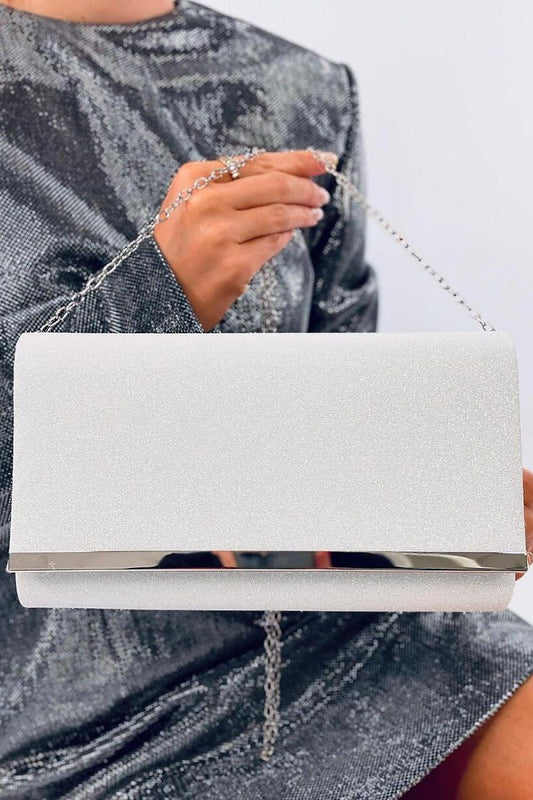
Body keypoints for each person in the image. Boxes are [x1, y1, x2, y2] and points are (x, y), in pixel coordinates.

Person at [1, 1, 532, 797]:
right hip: (61, 711)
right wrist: (152, 297)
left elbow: (329, 410)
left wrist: (425, 523)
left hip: (332, 640)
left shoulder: (302, 87)